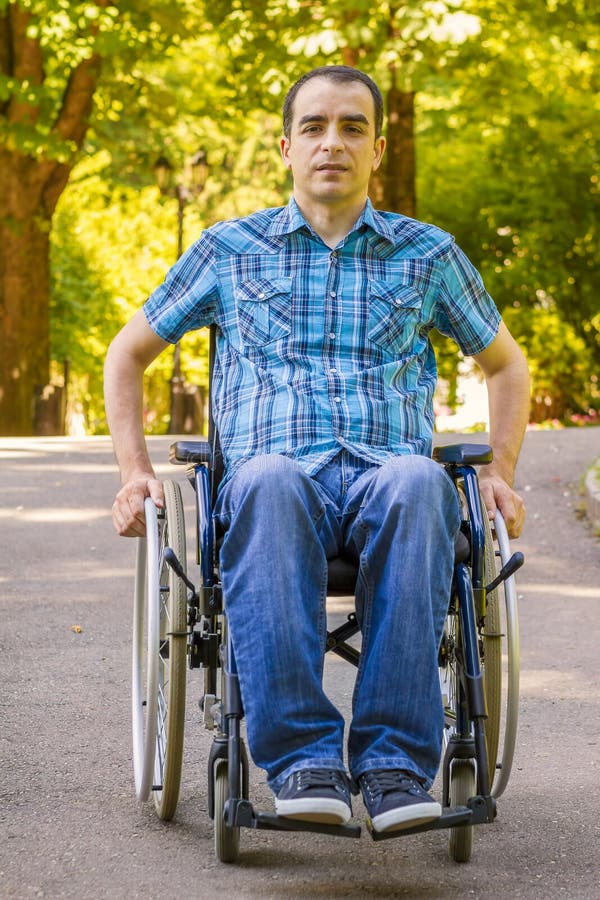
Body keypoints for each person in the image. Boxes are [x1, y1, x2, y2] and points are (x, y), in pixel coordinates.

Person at [105, 66, 530, 834]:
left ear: (377, 149)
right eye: (315, 127)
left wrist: (500, 472)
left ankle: (396, 766)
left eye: (352, 128)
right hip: (274, 484)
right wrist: (134, 473)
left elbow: (505, 363)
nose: (332, 142)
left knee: (420, 481)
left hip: (386, 481)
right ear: (286, 147)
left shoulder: (427, 255)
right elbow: (126, 354)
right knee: (267, 478)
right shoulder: (228, 250)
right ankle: (303, 759)